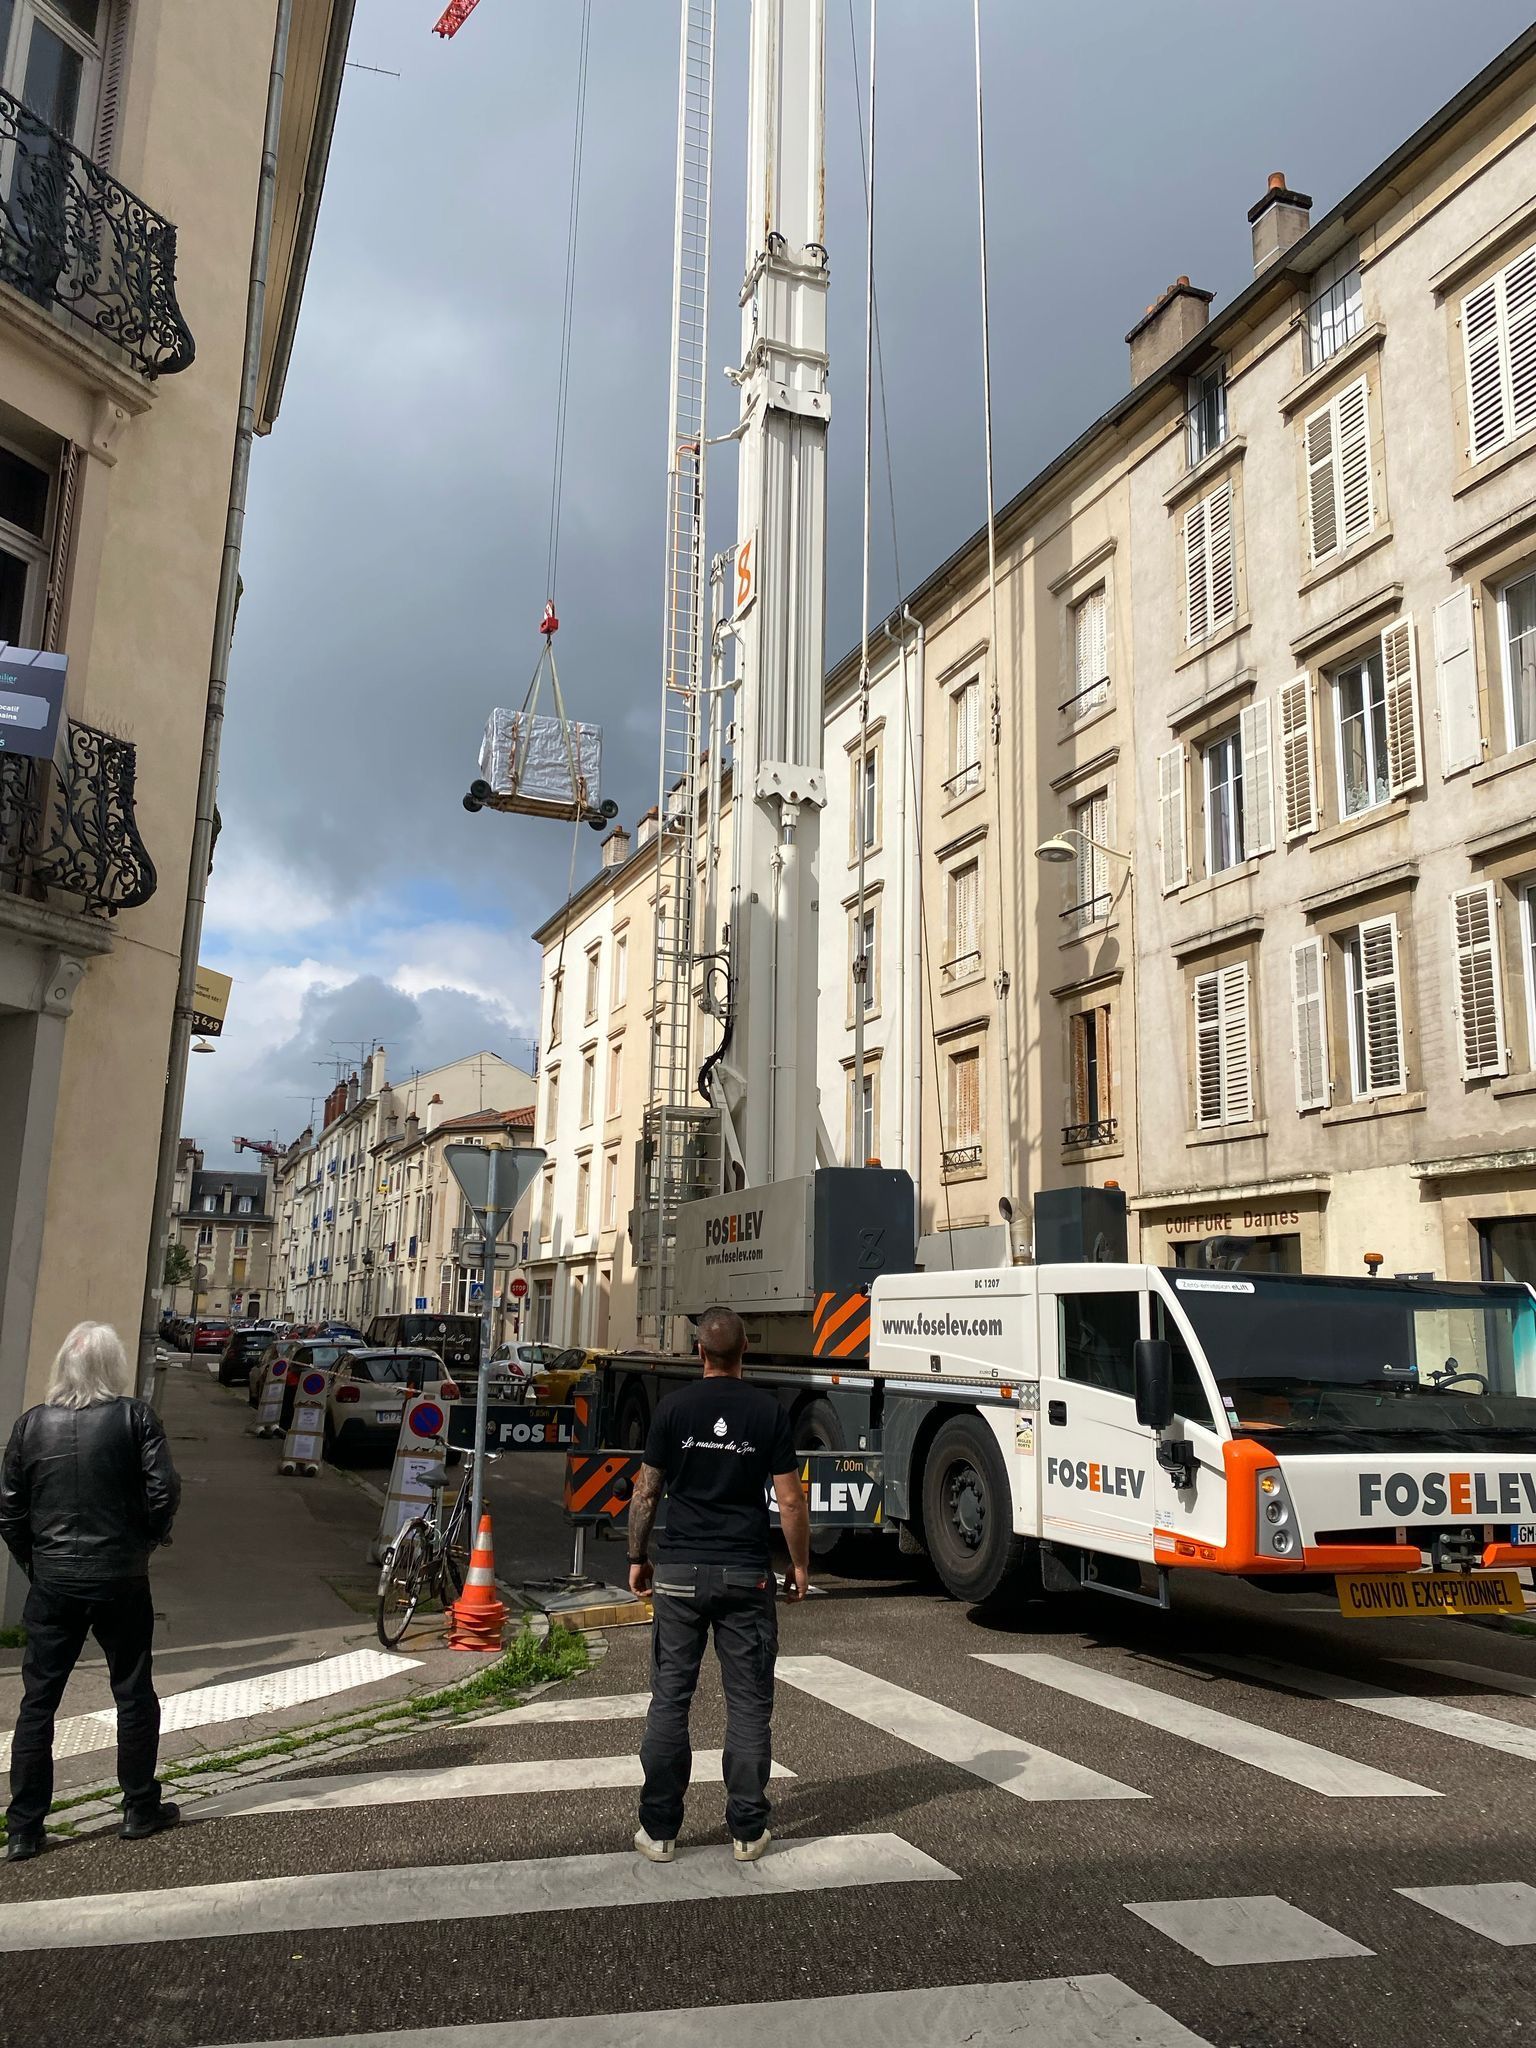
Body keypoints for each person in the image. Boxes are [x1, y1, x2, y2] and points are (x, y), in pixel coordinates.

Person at [627, 1306, 811, 1865]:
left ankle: (659, 1831)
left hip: (679, 1575)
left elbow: (646, 1491)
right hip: (745, 1574)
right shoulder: (768, 1412)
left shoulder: (672, 1409)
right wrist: (800, 1564)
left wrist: (637, 1556)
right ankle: (747, 1832)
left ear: (699, 1352)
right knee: (750, 1705)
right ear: (745, 1350)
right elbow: (790, 1499)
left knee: (670, 1701)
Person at [0, 1322, 181, 1861]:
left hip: (54, 1579)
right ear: (113, 1367)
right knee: (131, 1687)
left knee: (38, 1700)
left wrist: (36, 1562)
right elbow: (163, 1491)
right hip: (120, 1574)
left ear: (63, 1367)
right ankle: (138, 1807)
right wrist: (143, 1541)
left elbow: (10, 1507)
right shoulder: (134, 1417)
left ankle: (25, 1827)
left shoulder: (31, 1425)